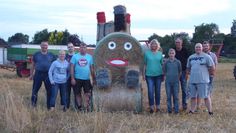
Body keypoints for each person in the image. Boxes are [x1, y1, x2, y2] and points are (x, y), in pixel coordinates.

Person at [186, 43, 215, 115]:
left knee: (206, 96)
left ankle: (210, 111)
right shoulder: (191, 57)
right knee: (193, 96)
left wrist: (210, 75)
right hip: (192, 80)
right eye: (196, 47)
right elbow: (188, 68)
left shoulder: (206, 57)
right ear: (194, 48)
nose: (198, 48)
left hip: (203, 80)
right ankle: (192, 110)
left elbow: (212, 67)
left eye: (199, 47)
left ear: (202, 48)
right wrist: (189, 74)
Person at [29, 41, 56, 109]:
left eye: (46, 45)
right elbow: (32, 65)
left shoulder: (51, 55)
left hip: (48, 74)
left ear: (47, 46)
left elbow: (55, 66)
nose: (44, 46)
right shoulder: (36, 54)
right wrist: (31, 74)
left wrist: (54, 75)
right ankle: (33, 105)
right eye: (43, 45)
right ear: (40, 46)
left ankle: (49, 107)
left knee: (49, 91)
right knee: (35, 90)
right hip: (38, 74)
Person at [70, 42, 95, 111]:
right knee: (77, 94)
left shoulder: (89, 57)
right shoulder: (75, 56)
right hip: (77, 78)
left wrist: (93, 78)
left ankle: (86, 107)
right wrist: (72, 78)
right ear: (79, 48)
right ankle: (80, 107)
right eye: (81, 47)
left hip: (87, 79)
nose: (82, 49)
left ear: (86, 48)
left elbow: (92, 68)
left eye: (84, 47)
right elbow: (72, 67)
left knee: (87, 93)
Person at [196, 41, 218, 111]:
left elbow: (215, 65)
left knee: (208, 92)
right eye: (204, 46)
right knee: (198, 91)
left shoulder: (213, 55)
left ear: (209, 47)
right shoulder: (199, 55)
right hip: (201, 76)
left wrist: (212, 73)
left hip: (209, 76)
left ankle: (208, 108)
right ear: (202, 47)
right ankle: (198, 107)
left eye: (207, 46)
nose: (205, 47)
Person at [143, 39, 163, 113]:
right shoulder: (147, 53)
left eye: (155, 44)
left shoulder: (160, 54)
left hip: (158, 75)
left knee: (157, 91)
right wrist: (143, 74)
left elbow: (162, 64)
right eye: (152, 44)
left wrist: (163, 74)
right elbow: (145, 64)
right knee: (150, 91)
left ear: (157, 45)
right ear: (150, 45)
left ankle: (158, 106)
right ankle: (151, 106)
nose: (153, 45)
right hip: (149, 75)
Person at [163, 48, 182, 114]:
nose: (171, 54)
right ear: (168, 54)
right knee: (168, 96)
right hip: (168, 82)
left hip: (176, 82)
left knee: (176, 96)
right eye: (170, 53)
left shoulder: (178, 62)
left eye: (173, 53)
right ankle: (169, 110)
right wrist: (167, 77)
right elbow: (164, 71)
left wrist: (177, 78)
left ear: (175, 54)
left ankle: (176, 110)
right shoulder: (166, 62)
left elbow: (180, 71)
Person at [174, 38, 190, 110]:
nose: (178, 43)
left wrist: (187, 73)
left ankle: (184, 104)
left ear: (182, 43)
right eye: (176, 42)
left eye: (179, 42)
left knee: (184, 89)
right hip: (175, 73)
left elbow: (188, 63)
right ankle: (176, 105)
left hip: (183, 72)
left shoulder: (185, 50)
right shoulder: (173, 51)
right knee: (175, 89)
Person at [64, 42, 76, 109]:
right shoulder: (65, 56)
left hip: (75, 77)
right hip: (67, 77)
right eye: (69, 47)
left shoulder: (77, 55)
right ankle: (66, 107)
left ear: (73, 47)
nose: (70, 48)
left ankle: (76, 107)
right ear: (67, 48)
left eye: (71, 46)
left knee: (76, 93)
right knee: (66, 93)